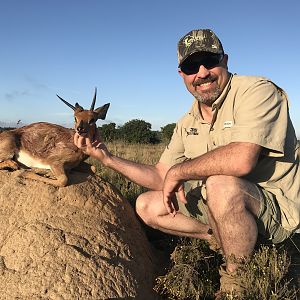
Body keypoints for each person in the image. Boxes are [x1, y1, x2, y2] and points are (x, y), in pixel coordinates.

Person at [74, 29, 300, 295]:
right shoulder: (187, 121)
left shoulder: (256, 91)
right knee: (146, 204)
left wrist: (180, 171)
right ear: (182, 74)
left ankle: (237, 284)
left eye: (210, 61)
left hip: (275, 211)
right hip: (223, 204)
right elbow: (161, 175)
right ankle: (220, 237)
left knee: (220, 185)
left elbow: (242, 160)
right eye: (192, 66)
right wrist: (107, 158)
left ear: (225, 60)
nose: (202, 72)